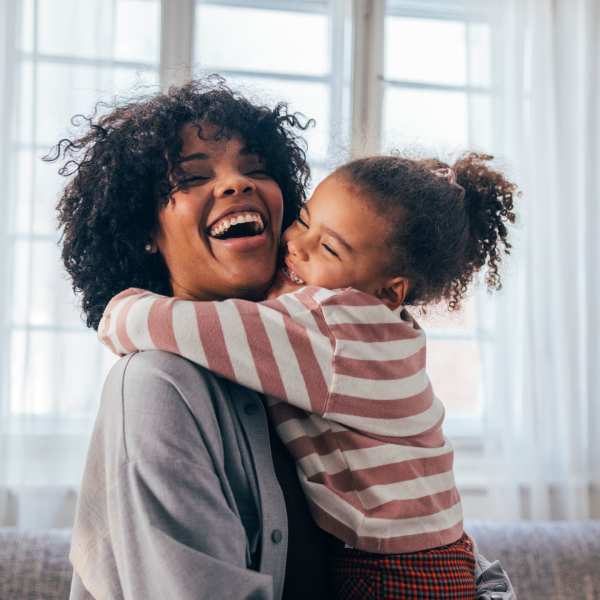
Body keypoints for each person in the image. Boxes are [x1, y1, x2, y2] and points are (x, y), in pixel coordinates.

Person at [97, 152, 518, 598]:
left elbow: (167, 324)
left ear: (389, 291)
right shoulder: (378, 331)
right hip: (439, 558)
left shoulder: (332, 328)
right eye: (302, 221)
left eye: (329, 249)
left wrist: (118, 309)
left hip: (393, 575)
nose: (296, 245)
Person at [53, 77, 337, 600]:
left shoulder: (319, 357)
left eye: (255, 168)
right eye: (191, 177)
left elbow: (435, 537)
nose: (237, 184)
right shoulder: (156, 385)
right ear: (144, 229)